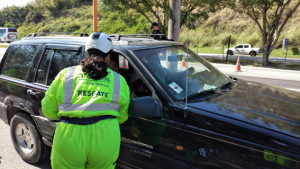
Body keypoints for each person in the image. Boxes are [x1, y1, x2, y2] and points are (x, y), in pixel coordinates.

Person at [41, 32, 130, 169]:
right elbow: (123, 115)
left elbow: (48, 110)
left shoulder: (66, 74)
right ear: (108, 56)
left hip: (69, 136)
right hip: (106, 136)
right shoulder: (119, 80)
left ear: (86, 54)